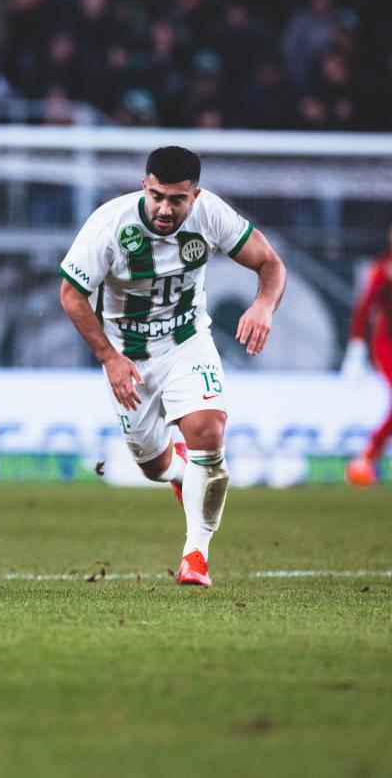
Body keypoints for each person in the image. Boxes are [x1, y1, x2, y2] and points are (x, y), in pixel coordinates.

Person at [58, 146, 286, 587]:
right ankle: (179, 472)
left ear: (194, 196)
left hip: (187, 342)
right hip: (129, 356)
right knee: (152, 466)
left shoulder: (211, 214)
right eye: (157, 196)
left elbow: (269, 263)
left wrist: (263, 304)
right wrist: (109, 358)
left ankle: (195, 556)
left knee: (209, 431)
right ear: (144, 186)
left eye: (177, 199)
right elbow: (71, 294)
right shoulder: (109, 225)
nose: (165, 208)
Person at [340, 229, 392, 485]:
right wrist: (357, 347)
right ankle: (365, 459)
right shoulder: (383, 268)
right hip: (388, 342)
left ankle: (366, 459)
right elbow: (364, 307)